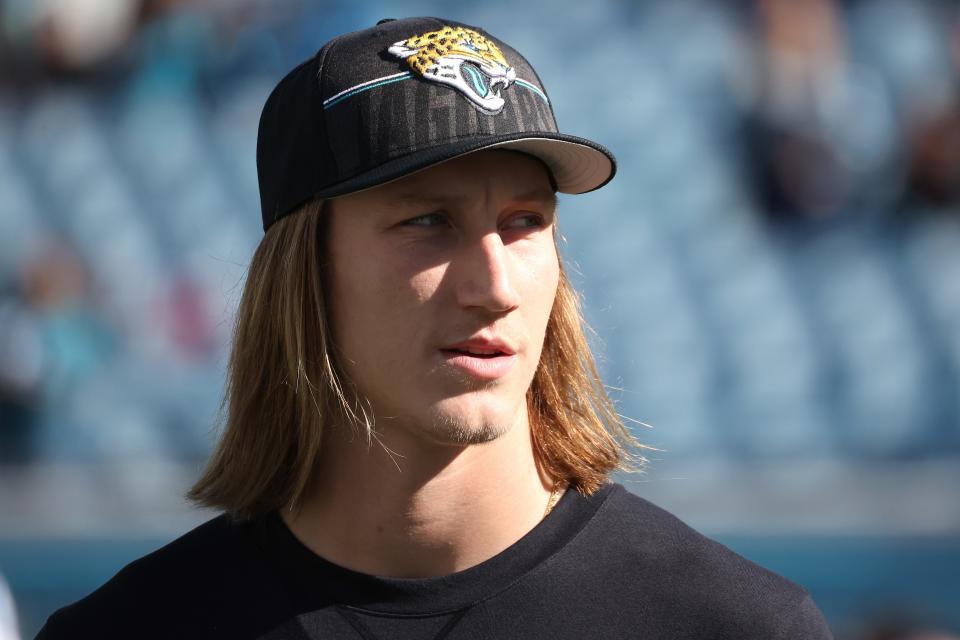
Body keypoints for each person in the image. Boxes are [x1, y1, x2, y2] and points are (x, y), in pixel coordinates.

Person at [37, 17, 833, 639]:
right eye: (427, 222)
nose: (494, 286)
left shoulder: (735, 627)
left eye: (525, 223)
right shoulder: (129, 631)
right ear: (302, 273)